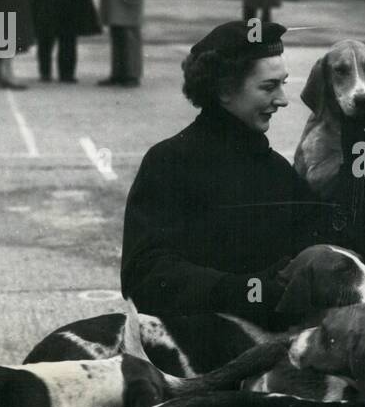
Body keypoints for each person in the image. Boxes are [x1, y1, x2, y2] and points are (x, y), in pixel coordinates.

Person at [121, 20, 336, 332]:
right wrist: (249, 291)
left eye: (282, 84)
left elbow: (326, 236)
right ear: (224, 91)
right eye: (268, 87)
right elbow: (145, 276)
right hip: (197, 349)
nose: (282, 100)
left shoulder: (273, 167)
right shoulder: (169, 161)